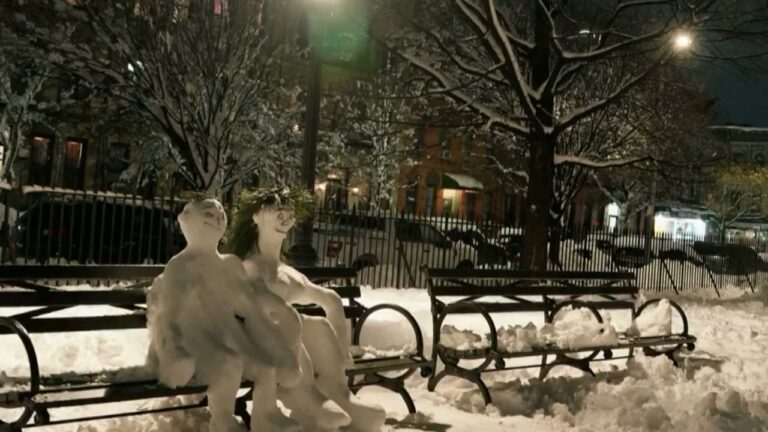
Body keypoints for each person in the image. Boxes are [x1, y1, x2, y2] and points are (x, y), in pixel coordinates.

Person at [226, 188, 386, 432]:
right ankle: (309, 401)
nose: (285, 219)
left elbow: (330, 299)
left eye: (289, 214)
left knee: (317, 326)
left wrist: (343, 351)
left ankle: (338, 393)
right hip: (251, 348)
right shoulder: (248, 266)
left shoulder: (284, 272)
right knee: (286, 325)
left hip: (279, 342)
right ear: (257, 217)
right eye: (277, 212)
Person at [146, 198, 304, 432]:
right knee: (228, 362)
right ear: (188, 221)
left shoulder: (229, 265)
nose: (218, 219)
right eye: (209, 214)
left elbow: (250, 309)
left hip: (228, 334)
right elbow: (167, 316)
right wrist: (174, 353)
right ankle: (222, 421)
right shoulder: (180, 266)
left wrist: (278, 348)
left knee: (264, 364)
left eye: (221, 214)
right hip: (194, 341)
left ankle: (266, 415)